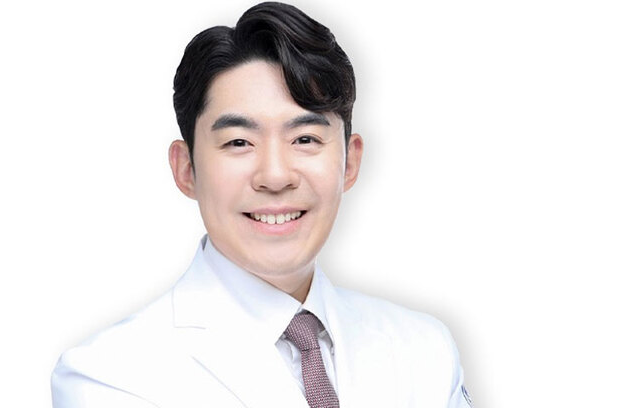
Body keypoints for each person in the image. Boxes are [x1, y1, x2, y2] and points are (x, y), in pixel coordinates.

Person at [51, 2, 473, 407]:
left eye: (305, 139)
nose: (275, 176)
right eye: (239, 142)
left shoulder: (425, 351)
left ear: (350, 162)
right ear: (186, 169)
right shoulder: (109, 375)